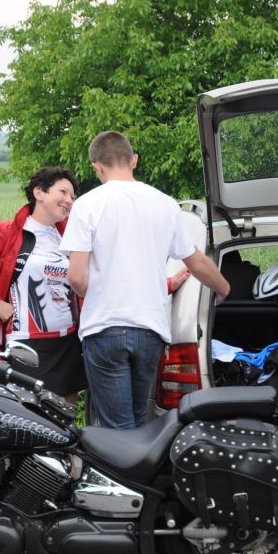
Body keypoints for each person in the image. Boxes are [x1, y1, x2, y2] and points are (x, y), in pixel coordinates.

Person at [61, 131, 230, 429]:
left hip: (105, 328)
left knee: (116, 428)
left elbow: (76, 276)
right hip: (149, 331)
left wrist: (97, 291)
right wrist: (223, 288)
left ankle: (119, 476)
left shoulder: (87, 205)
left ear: (96, 166)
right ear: (134, 160)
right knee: (140, 422)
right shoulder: (166, 204)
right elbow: (197, 262)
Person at [0, 167, 87, 402]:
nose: (69, 200)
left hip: (66, 343)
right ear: (39, 192)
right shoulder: (4, 233)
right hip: (23, 345)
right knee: (24, 421)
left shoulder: (72, 238)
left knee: (63, 424)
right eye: (63, 192)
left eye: (72, 196)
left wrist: (167, 282)